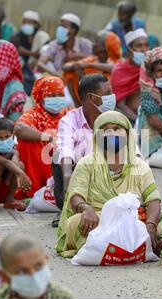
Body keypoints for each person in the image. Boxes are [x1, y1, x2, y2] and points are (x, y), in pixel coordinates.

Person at [56, 111, 162, 258]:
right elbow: (75, 196)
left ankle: (113, 249)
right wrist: (86, 208)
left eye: (117, 128)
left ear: (127, 134)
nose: (112, 133)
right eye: (106, 129)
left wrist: (150, 226)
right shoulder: (86, 164)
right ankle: (132, 250)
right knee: (76, 222)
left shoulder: (140, 166)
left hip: (134, 220)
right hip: (99, 220)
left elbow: (153, 200)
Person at [52, 74, 116, 227]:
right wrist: (68, 178)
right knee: (57, 157)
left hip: (110, 177)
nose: (112, 97)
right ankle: (68, 206)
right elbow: (65, 148)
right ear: (90, 98)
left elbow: (134, 152)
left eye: (111, 92)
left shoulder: (115, 118)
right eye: (106, 94)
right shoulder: (70, 119)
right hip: (80, 179)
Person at [15, 76, 70, 200]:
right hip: (43, 164)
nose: (57, 99)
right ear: (42, 97)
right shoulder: (34, 114)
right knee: (27, 142)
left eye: (60, 95)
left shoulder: (68, 114)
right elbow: (19, 129)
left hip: (65, 163)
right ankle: (32, 191)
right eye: (51, 96)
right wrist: (49, 138)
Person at [0, 234, 74, 299]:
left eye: (38, 266)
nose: (33, 275)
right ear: (4, 276)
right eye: (22, 271)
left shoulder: (63, 297)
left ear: (46, 259)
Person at [63, 31, 122, 106]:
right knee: (70, 73)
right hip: (90, 95)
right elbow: (65, 67)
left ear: (105, 46)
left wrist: (88, 65)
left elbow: (114, 68)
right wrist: (75, 66)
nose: (92, 44)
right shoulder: (92, 59)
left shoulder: (116, 61)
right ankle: (79, 105)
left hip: (109, 102)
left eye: (96, 41)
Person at [111, 28, 149, 123]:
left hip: (152, 117)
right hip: (130, 118)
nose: (144, 50)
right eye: (139, 46)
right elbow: (120, 104)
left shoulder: (151, 66)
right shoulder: (120, 70)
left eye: (146, 45)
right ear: (129, 50)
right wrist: (139, 122)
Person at [37, 13, 92, 77]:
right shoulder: (54, 44)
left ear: (73, 30)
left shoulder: (84, 44)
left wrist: (80, 57)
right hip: (58, 80)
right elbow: (40, 64)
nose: (60, 29)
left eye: (64, 26)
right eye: (60, 26)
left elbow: (95, 61)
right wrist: (58, 76)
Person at [10, 11, 50, 96]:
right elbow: (17, 51)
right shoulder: (17, 36)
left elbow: (46, 52)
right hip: (21, 66)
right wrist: (34, 54)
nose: (27, 24)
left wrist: (36, 59)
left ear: (36, 25)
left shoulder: (41, 37)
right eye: (25, 22)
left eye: (30, 22)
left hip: (37, 66)